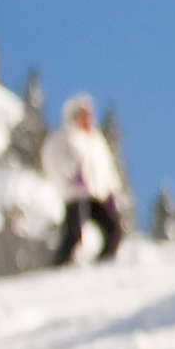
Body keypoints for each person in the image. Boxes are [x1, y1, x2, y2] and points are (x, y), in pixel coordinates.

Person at [42, 93, 126, 265]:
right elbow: (53, 162)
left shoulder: (96, 140)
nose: (88, 117)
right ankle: (59, 266)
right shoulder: (64, 136)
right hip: (76, 194)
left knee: (114, 230)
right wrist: (70, 176)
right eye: (84, 114)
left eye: (89, 113)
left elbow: (107, 167)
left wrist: (112, 189)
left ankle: (104, 264)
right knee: (74, 233)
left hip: (98, 194)